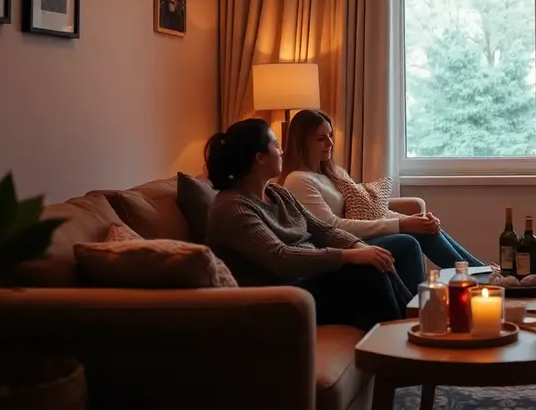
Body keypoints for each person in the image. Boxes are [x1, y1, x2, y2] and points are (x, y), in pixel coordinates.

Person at [203, 118, 414, 331]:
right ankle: (404, 336)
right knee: (368, 271)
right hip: (284, 297)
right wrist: (349, 256)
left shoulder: (278, 193)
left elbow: (321, 229)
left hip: (312, 281)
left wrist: (360, 247)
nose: (282, 151)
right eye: (275, 145)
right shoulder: (231, 208)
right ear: (260, 158)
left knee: (385, 254)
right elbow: (280, 257)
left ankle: (416, 325)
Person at [281, 109, 485, 269]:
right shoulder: (298, 180)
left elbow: (370, 211)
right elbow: (331, 227)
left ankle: (482, 273)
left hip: (361, 234)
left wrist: (412, 220)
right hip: (344, 244)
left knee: (425, 227)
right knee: (411, 237)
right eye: (321, 138)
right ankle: (480, 276)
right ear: (302, 143)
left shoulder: (335, 173)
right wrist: (402, 225)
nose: (330, 143)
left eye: (330, 135)